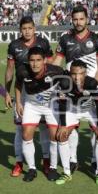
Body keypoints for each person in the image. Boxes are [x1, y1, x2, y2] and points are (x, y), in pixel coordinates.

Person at [53, 5, 98, 173]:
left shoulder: (97, 40)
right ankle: (73, 159)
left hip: (91, 90)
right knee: (71, 126)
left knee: (96, 128)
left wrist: (89, 86)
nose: (78, 22)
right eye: (75, 19)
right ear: (72, 19)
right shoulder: (65, 39)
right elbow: (57, 64)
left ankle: (93, 160)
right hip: (71, 92)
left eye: (81, 18)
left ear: (87, 18)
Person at [4, 16, 53, 178]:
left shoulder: (43, 43)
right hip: (22, 91)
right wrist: (6, 93)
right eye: (24, 28)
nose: (27, 31)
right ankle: (19, 163)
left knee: (45, 126)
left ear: (34, 29)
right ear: (20, 30)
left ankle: (46, 160)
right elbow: (10, 71)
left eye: (30, 28)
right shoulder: (14, 45)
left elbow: (51, 66)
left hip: (42, 91)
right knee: (20, 128)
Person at [15, 47, 64, 182]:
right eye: (32, 60)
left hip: (50, 106)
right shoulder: (22, 71)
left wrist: (63, 94)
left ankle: (53, 168)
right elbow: (18, 85)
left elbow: (67, 84)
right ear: (28, 61)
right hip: (32, 105)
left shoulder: (56, 71)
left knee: (54, 136)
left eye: (38, 60)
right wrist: (19, 102)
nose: (35, 64)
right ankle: (32, 169)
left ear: (44, 61)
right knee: (26, 134)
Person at [55, 60, 98, 185]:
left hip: (90, 110)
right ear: (69, 73)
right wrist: (62, 125)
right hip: (72, 110)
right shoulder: (64, 82)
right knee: (61, 136)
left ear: (86, 73)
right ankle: (67, 173)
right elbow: (61, 104)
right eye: (74, 74)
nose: (77, 77)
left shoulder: (92, 83)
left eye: (80, 74)